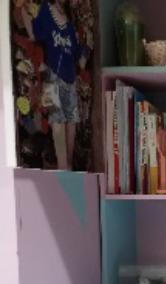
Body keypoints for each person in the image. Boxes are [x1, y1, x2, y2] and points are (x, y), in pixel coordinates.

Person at [22, 0, 87, 170]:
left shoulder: (69, 23)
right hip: (52, 75)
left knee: (71, 120)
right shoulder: (45, 9)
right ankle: (63, 165)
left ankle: (68, 164)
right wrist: (26, 13)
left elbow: (77, 55)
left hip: (70, 78)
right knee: (57, 120)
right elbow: (34, 32)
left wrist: (84, 52)